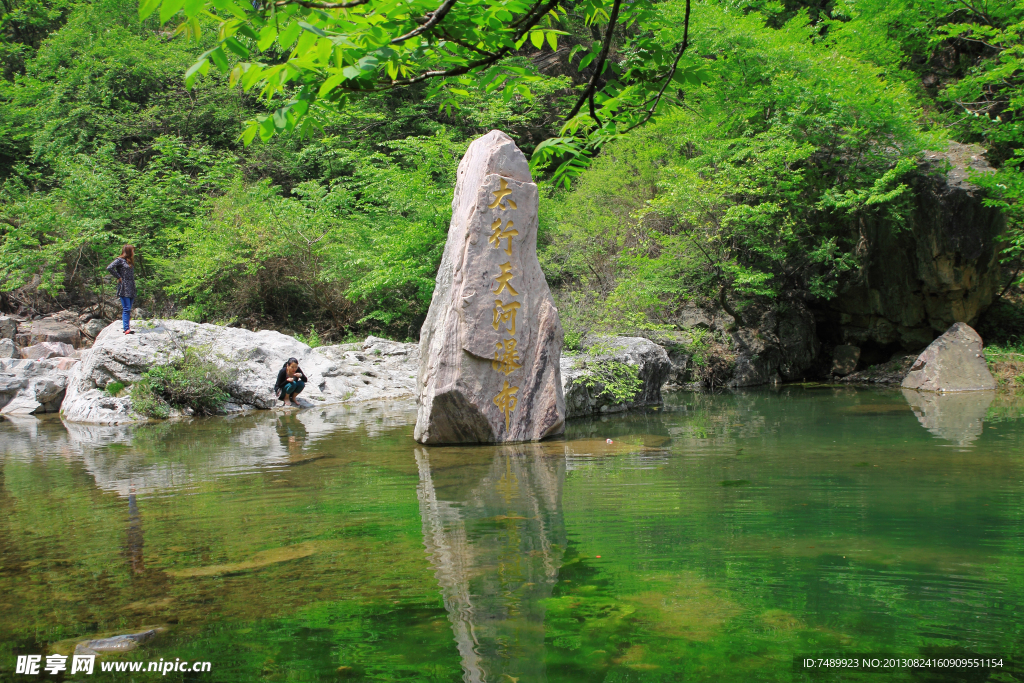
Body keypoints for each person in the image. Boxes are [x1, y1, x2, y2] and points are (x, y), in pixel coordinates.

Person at [106, 245, 137, 335]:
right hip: (124, 286)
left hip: (131, 286)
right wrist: (119, 277)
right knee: (126, 308)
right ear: (128, 251)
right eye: (132, 251)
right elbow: (109, 268)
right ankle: (126, 328)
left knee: (129, 308)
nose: (133, 253)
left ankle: (127, 327)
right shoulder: (120, 260)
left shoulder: (129, 262)